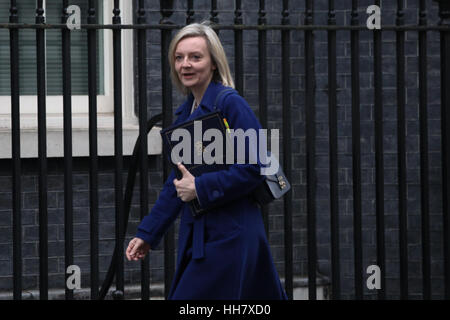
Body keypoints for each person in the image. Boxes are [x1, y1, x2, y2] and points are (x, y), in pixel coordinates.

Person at [126, 22, 287, 300]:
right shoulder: (186, 113)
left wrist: (200, 187)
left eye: (195, 57)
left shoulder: (231, 104)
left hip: (232, 233)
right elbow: (177, 183)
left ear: (214, 63)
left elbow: (256, 166)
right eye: (179, 57)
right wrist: (148, 233)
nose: (185, 64)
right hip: (201, 236)